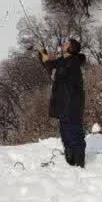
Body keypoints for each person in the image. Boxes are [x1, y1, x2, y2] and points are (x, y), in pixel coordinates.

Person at [38, 37, 87, 167]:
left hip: (72, 103)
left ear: (71, 49)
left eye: (67, 43)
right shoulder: (63, 60)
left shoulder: (74, 62)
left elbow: (56, 71)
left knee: (75, 133)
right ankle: (71, 162)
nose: (63, 44)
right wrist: (42, 51)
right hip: (62, 103)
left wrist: (52, 69)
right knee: (65, 134)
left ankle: (80, 164)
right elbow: (49, 65)